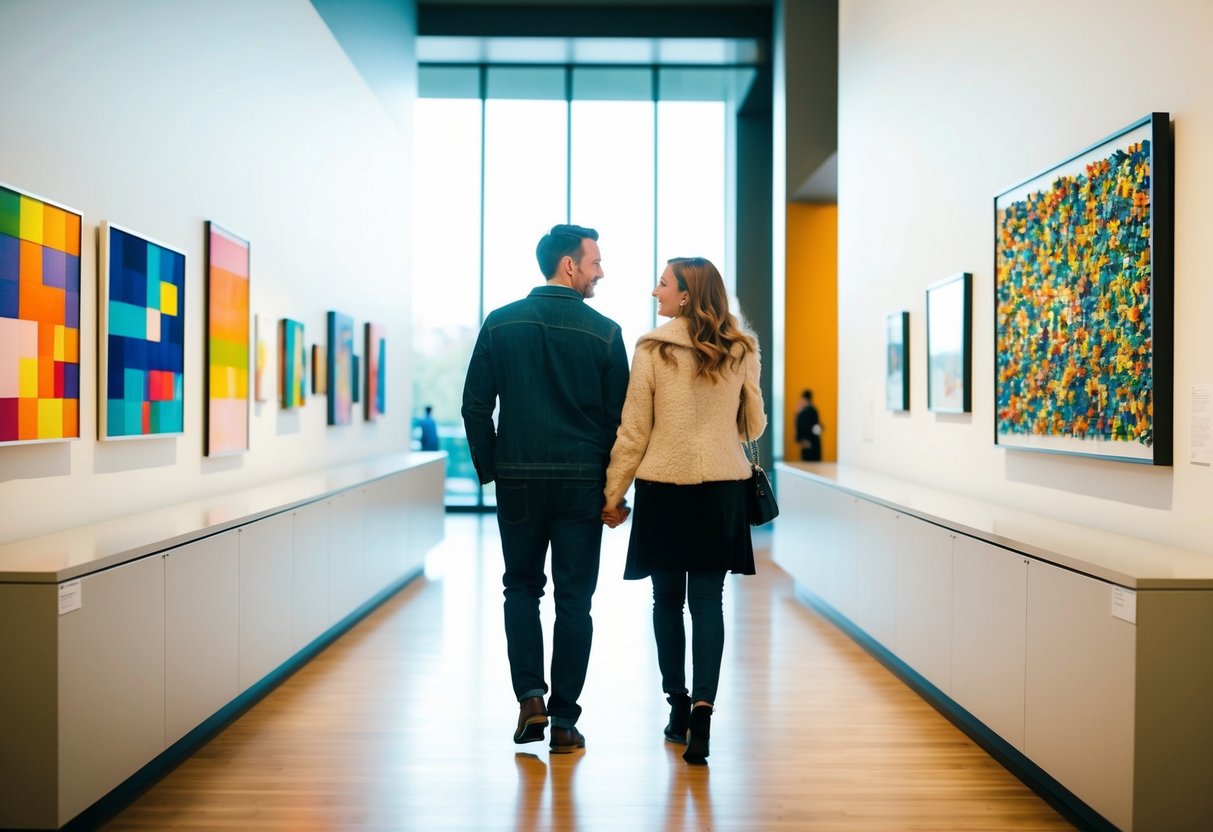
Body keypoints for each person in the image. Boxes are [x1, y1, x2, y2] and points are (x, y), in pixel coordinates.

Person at [462, 224, 630, 754]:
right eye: (595, 262)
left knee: (521, 589)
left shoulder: (500, 323)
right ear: (570, 265)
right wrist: (614, 492)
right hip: (582, 485)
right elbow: (621, 424)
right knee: (574, 600)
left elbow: (474, 406)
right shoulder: (605, 333)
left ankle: (531, 698)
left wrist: (494, 469)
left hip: (519, 481)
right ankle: (563, 722)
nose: (601, 272)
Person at [601, 256, 766, 765]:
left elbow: (634, 430)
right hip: (721, 490)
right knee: (709, 602)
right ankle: (702, 713)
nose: (656, 292)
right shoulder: (741, 348)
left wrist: (613, 494)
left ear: (687, 295)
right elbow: (753, 425)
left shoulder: (652, 349)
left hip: (664, 489)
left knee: (667, 602)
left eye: (663, 284)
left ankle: (676, 707)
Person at [795, 389, 822, 461]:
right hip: (814, 443)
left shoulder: (805, 412)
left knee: (808, 463)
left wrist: (798, 413)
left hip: (808, 443)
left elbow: (802, 427)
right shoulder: (814, 410)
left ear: (805, 399)